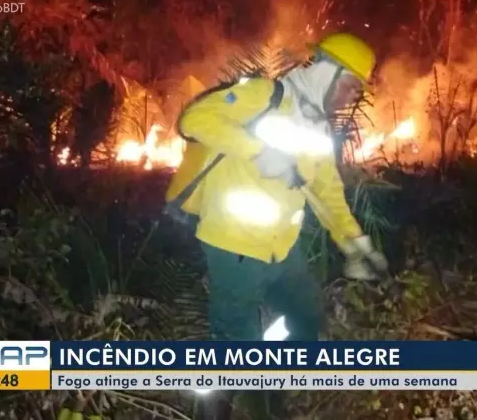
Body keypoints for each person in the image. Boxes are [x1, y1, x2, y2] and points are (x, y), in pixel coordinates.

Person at [165, 32, 389, 419]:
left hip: (282, 251)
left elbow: (327, 192)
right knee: (235, 344)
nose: (352, 96)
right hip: (234, 248)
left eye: (357, 91)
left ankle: (265, 377)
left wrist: (355, 242)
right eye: (350, 85)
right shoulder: (263, 96)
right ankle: (221, 402)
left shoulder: (318, 129)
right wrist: (259, 151)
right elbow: (195, 118)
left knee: (304, 318)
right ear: (326, 72)